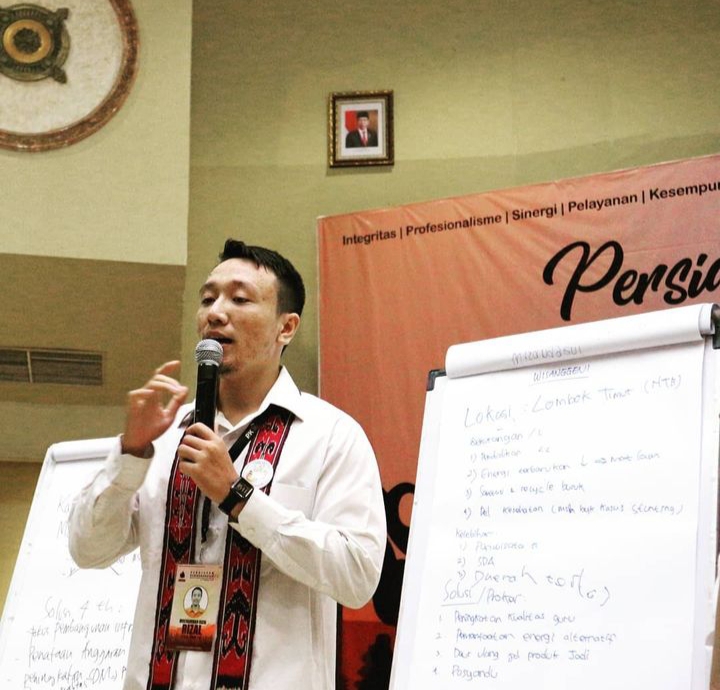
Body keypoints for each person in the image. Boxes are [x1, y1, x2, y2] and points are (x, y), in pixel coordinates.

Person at [68, 239, 387, 690]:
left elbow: (357, 577)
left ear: (286, 327)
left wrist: (238, 497)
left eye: (239, 299)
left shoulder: (331, 435)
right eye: (207, 298)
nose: (215, 313)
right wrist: (131, 453)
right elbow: (87, 551)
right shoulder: (164, 434)